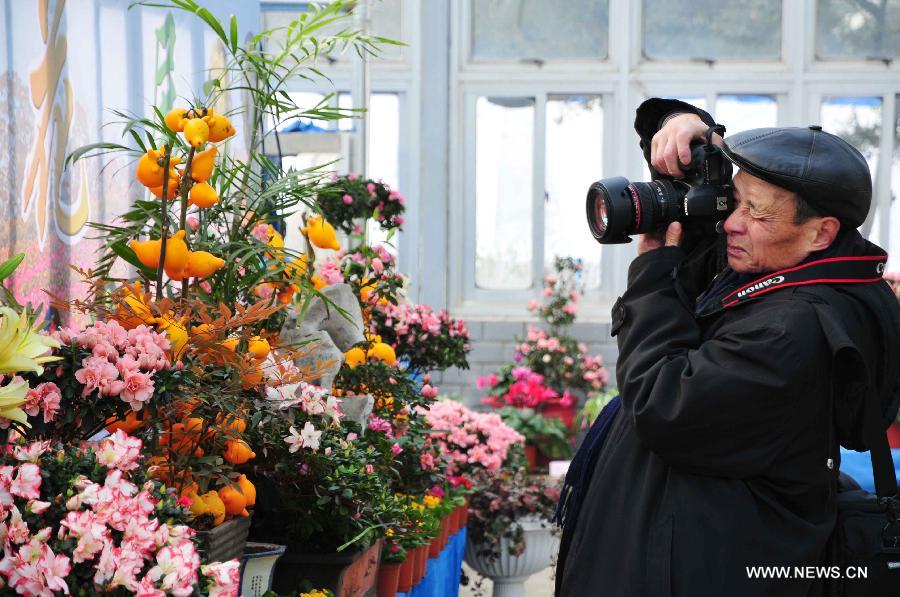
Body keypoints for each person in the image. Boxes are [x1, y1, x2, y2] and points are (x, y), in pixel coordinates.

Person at [554, 98, 900, 596]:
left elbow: (663, 400)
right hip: (692, 549)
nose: (731, 224)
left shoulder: (792, 328)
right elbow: (706, 247)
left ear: (821, 232)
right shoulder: (779, 267)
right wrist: (681, 126)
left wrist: (652, 276)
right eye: (733, 201)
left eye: (755, 212)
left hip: (708, 569)